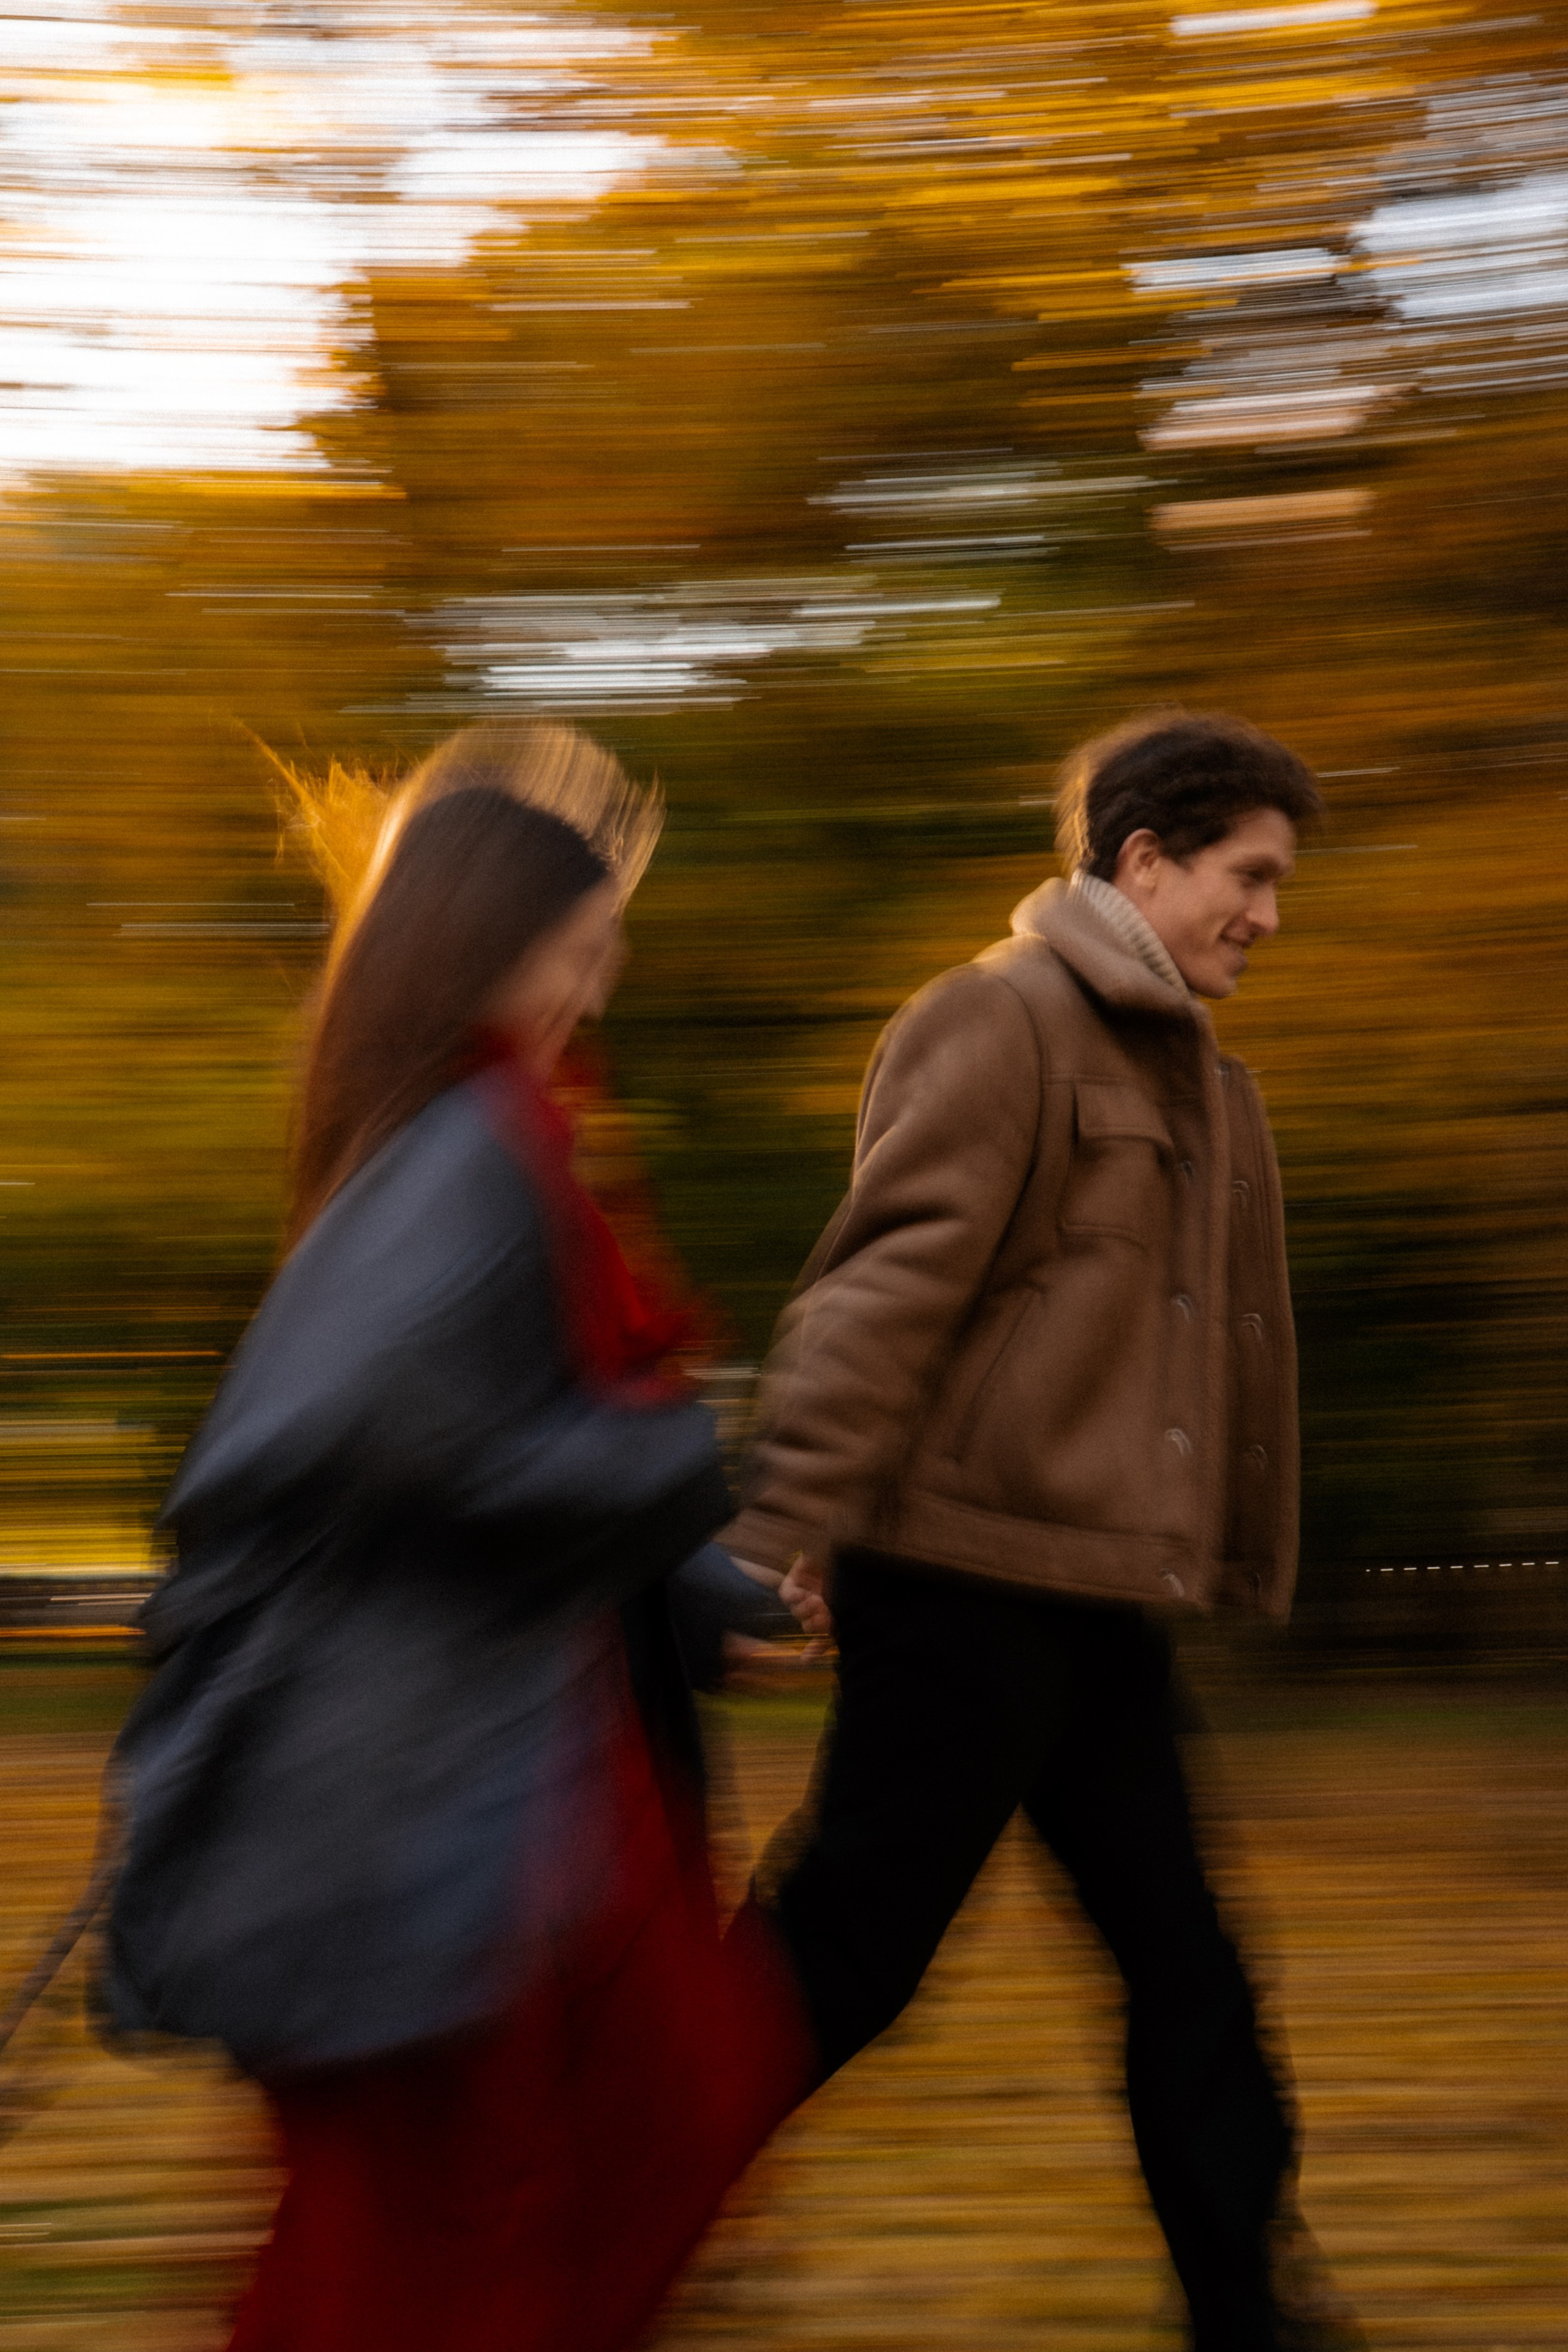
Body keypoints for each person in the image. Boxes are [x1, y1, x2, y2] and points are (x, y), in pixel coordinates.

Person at [100, 723, 811, 2352]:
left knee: (586, 2145)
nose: (597, 994)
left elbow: (478, 1417)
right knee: (466, 2200)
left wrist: (697, 1578)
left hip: (518, 1758)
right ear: (488, 935)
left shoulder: (476, 1122)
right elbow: (385, 1434)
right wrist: (675, 1463)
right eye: (580, 953)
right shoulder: (471, 1144)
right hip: (456, 1780)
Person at [726, 711, 1361, 2350]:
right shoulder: (995, 1021)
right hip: (957, 1586)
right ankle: (578, 2215)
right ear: (1142, 860)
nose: (1270, 915)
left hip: (1094, 1604)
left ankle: (1257, 2321)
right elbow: (882, 1294)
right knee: (847, 1963)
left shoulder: (1202, 1083)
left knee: (1193, 1977)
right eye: (1249, 874)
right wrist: (772, 1528)